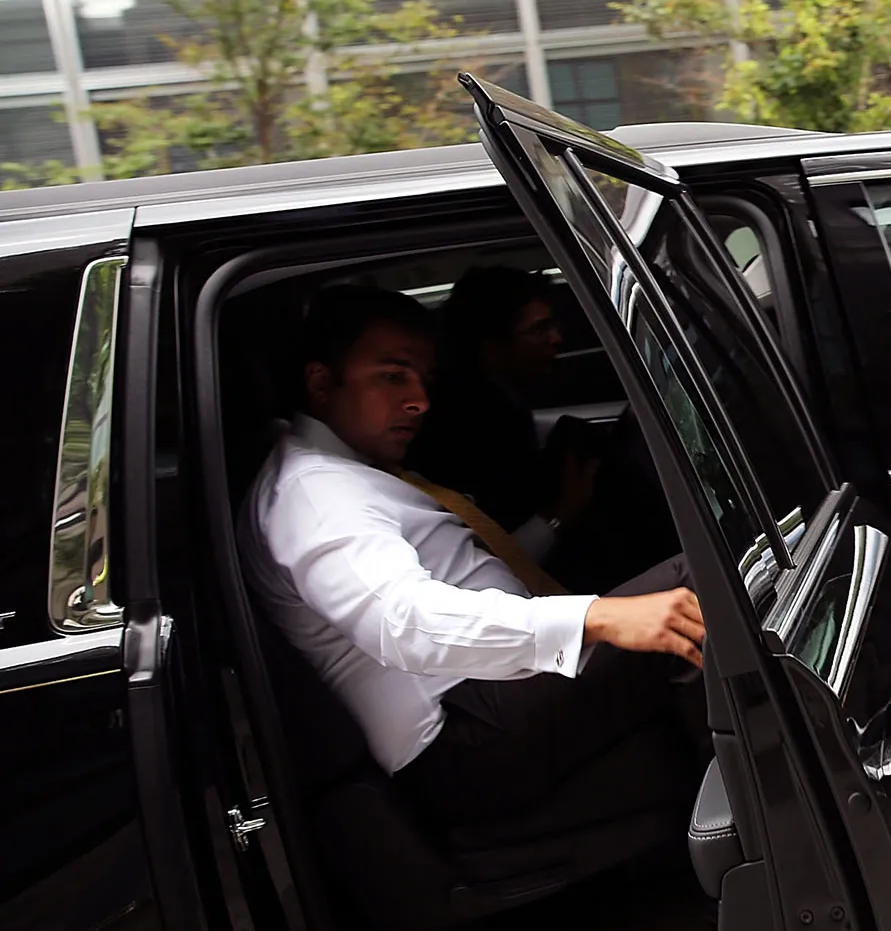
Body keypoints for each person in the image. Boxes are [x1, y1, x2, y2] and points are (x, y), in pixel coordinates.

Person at [239, 284, 704, 830]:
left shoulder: (336, 470)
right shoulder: (315, 496)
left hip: (484, 697)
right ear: (321, 383)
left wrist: (557, 526)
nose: (419, 400)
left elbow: (467, 574)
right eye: (392, 376)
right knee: (699, 582)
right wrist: (595, 617)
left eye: (423, 380)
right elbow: (404, 621)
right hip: (464, 734)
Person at [407, 265, 596, 566]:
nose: (557, 338)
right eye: (539, 330)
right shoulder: (467, 427)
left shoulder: (499, 399)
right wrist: (561, 514)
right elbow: (499, 548)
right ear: (492, 344)